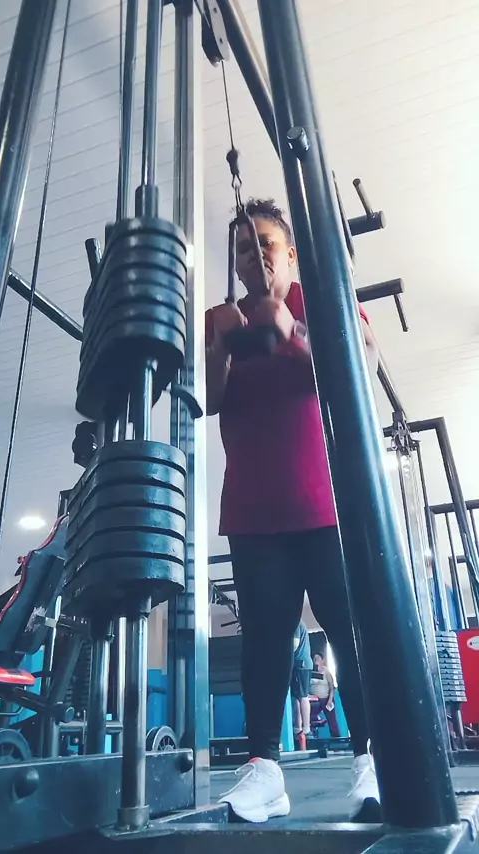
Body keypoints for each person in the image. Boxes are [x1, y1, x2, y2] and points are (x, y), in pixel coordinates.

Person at [205, 198, 380, 824]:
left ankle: (371, 757)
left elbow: (362, 362)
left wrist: (295, 332)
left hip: (328, 504)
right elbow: (212, 397)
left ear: (292, 254)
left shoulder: (321, 301)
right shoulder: (222, 316)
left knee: (349, 633)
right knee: (265, 641)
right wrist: (223, 346)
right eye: (243, 247)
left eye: (266, 243)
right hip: (254, 510)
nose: (255, 255)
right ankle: (264, 771)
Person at [310, 652, 340, 738]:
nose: (316, 660)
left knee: (332, 721)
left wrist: (330, 700)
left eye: (318, 658)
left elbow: (332, 686)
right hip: (314, 700)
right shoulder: (311, 671)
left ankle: (336, 738)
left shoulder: (326, 671)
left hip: (326, 698)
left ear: (322, 660)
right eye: (314, 658)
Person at [291, 621, 313, 739]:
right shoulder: (298, 623)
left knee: (303, 696)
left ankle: (306, 729)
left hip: (301, 664)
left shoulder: (296, 623)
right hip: (300, 664)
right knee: (297, 697)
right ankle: (298, 728)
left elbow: (294, 645)